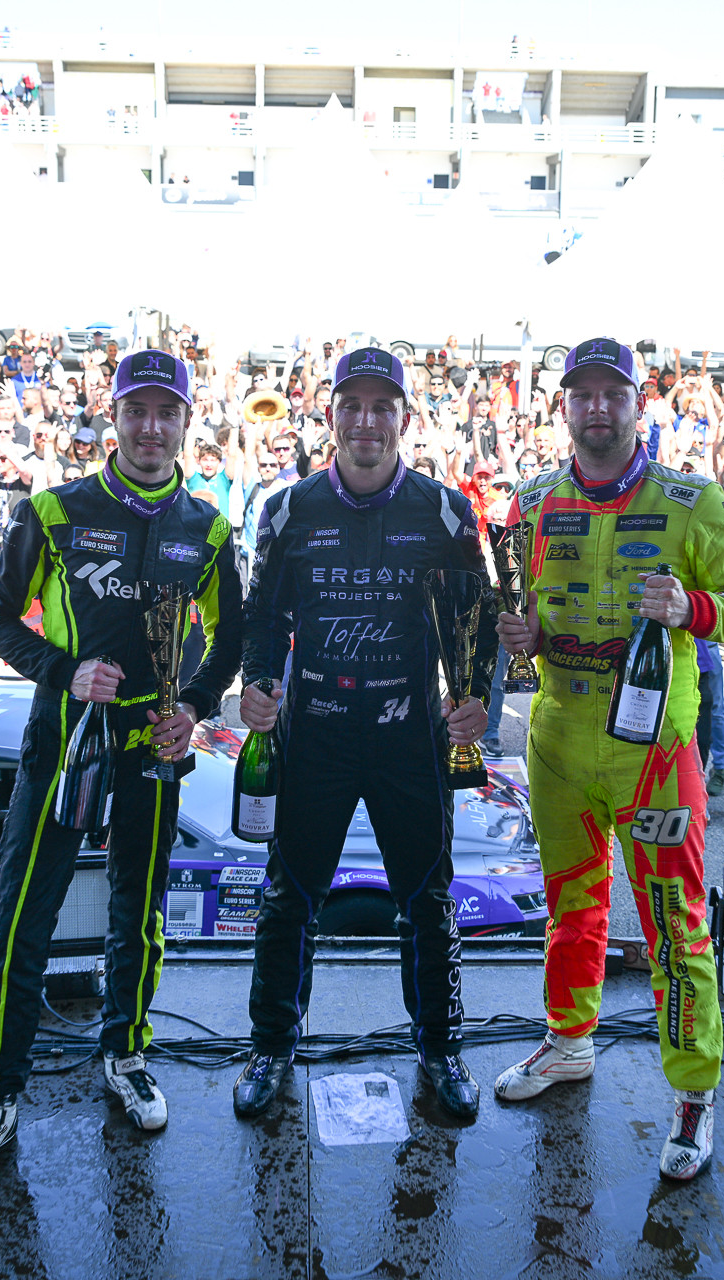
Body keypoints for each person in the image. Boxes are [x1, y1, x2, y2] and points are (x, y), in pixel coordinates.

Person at [0, 351, 241, 1189]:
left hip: (154, 742)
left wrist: (196, 705)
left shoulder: (209, 527)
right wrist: (61, 669)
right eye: (136, 411)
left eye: (167, 413)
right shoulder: (54, 509)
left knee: (138, 911)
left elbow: (232, 639)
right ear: (112, 417)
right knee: (23, 918)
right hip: (67, 733)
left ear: (187, 422)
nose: (151, 429)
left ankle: (125, 1053)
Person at [491, 338, 724, 1183]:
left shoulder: (692, 500)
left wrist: (692, 607)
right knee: (570, 905)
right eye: (583, 394)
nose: (598, 408)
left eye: (614, 393)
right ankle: (568, 1043)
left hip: (655, 752)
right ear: (564, 406)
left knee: (673, 924)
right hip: (559, 741)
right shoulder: (534, 501)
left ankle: (694, 1093)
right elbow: (525, 608)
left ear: (638, 405)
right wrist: (526, 637)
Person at [231, 348, 495, 1126]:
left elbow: (472, 621)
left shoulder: (446, 511)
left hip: (407, 739)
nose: (367, 420)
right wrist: (255, 684)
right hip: (316, 739)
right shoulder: (287, 509)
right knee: (288, 898)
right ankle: (271, 1045)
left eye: (384, 406)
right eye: (354, 405)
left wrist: (476, 695)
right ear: (331, 415)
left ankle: (441, 1047)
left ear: (405, 419)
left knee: (429, 900)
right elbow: (262, 619)